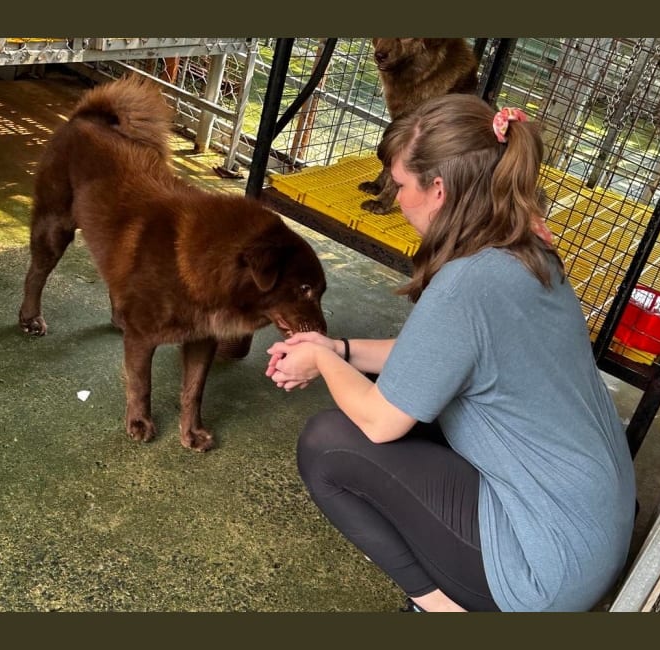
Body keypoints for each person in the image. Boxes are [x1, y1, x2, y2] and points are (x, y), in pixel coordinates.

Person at [265, 93, 636, 612]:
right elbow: (433, 355)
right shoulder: (527, 249)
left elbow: (379, 422)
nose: (396, 199)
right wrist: (338, 347)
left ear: (437, 189)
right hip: (594, 526)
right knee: (420, 408)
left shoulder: (467, 285)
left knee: (328, 443)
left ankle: (441, 609)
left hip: (545, 569)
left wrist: (323, 363)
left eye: (399, 185)